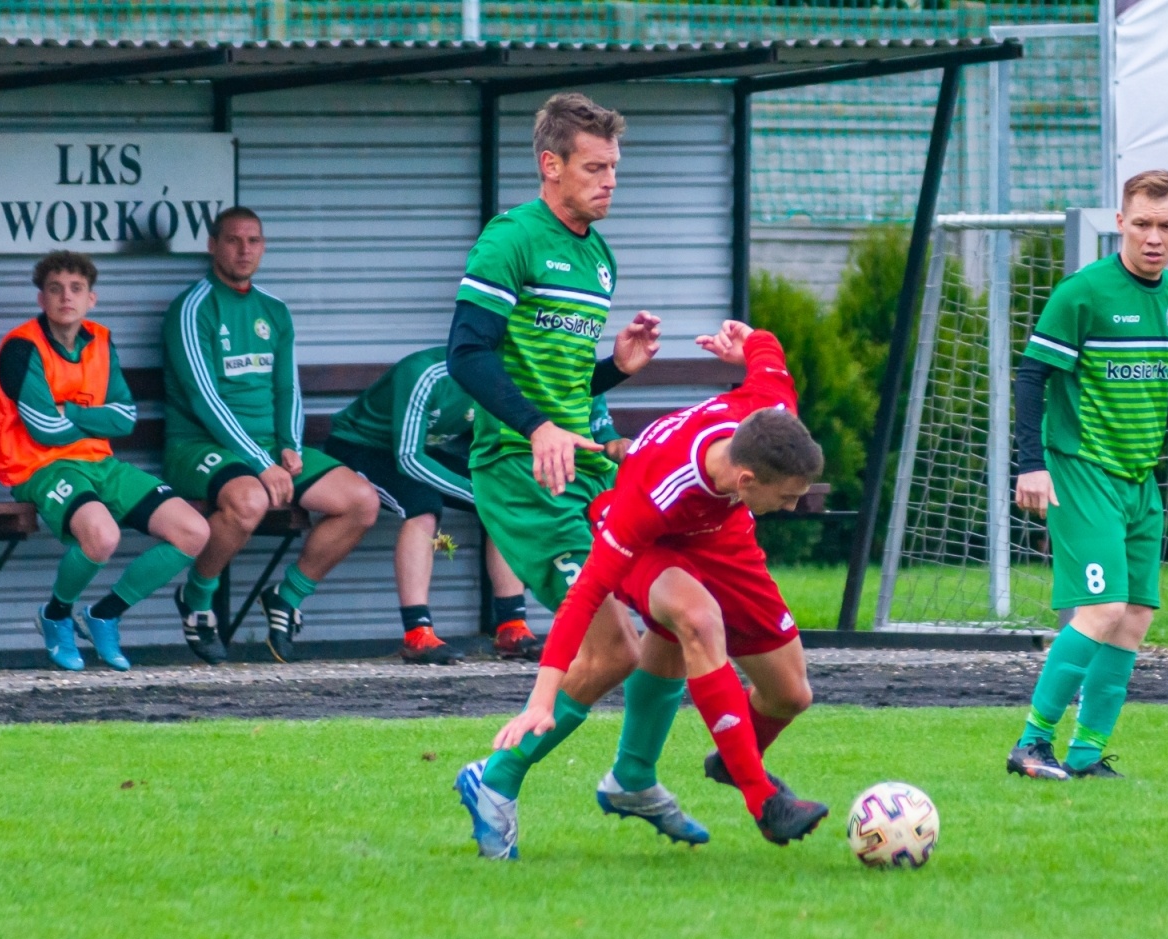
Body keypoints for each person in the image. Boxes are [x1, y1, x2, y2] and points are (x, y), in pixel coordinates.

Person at [447, 92, 704, 857]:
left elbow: (556, 387)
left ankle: (629, 773)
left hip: (582, 467)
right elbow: (467, 355)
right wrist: (535, 429)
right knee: (615, 651)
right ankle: (498, 777)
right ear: (549, 165)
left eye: (615, 168)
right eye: (594, 168)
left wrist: (614, 374)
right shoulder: (510, 241)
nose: (609, 182)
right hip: (519, 472)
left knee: (671, 617)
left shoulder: (597, 254)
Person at [493, 321, 829, 850]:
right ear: (746, 480)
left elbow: (769, 353)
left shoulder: (772, 411)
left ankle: (714, 762)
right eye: (786, 497)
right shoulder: (654, 491)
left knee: (790, 693)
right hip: (652, 543)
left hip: (722, 532)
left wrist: (746, 340)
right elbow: (584, 597)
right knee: (694, 617)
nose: (791, 509)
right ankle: (762, 798)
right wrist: (539, 699)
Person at [1006, 169, 1168, 781]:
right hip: (1083, 471)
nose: (1153, 237)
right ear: (1121, 223)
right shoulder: (1084, 293)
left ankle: (1084, 753)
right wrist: (1031, 464)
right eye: (1142, 224)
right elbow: (1031, 376)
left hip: (1139, 478)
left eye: (1166, 226)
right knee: (1100, 609)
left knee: (1133, 620)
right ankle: (1031, 743)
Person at [161, 206, 381, 664]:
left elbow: (287, 388)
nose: (244, 250)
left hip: (265, 450)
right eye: (234, 240)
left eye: (254, 241)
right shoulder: (192, 307)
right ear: (213, 245)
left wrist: (289, 448)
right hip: (200, 447)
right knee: (249, 503)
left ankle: (288, 596)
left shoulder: (274, 310)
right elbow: (204, 399)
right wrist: (260, 464)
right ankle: (198, 599)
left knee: (362, 502)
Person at [323, 346, 628, 663]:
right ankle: (417, 633)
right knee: (422, 507)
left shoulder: (516, 377)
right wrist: (480, 493)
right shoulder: (428, 373)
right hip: (364, 446)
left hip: (426, 450)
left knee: (506, 498)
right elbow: (409, 459)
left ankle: (512, 627)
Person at [0, 251, 210, 672]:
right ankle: (55, 615)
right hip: (38, 467)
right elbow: (42, 431)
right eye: (55, 289)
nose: (65, 297)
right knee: (102, 537)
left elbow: (125, 417)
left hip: (99, 463)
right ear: (41, 299)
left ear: (92, 298)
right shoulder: (21, 347)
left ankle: (104, 614)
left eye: (75, 289)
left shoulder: (101, 340)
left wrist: (68, 411)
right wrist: (92, 418)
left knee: (193, 531)